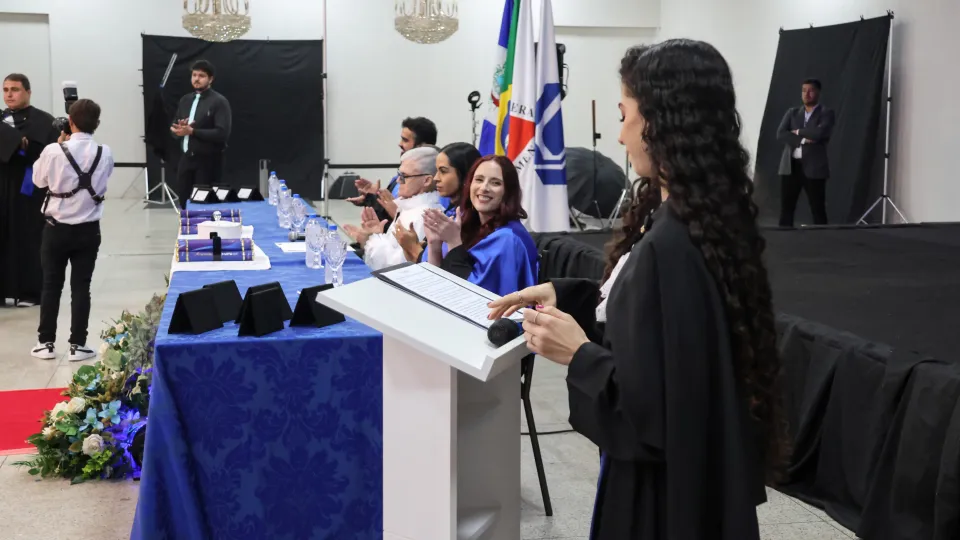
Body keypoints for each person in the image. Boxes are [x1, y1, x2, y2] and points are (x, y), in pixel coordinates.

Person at [487, 40, 790, 539]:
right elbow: (662, 327)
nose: (621, 134)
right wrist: (569, 296)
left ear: (661, 123)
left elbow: (657, 407)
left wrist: (579, 354)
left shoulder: (673, 243)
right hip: (694, 481)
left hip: (662, 498)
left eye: (625, 114)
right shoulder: (702, 219)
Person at [29, 99, 113, 361]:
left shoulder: (54, 150)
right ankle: (78, 344)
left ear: (71, 122)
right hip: (88, 230)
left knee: (51, 285)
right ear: (97, 124)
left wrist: (60, 141)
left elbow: (37, 180)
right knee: (81, 286)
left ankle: (46, 343)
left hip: (56, 229)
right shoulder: (105, 152)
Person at [423, 155, 537, 298]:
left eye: (495, 183)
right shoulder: (469, 226)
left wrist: (454, 243)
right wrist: (434, 245)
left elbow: (471, 297)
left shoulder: (509, 239)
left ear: (508, 191)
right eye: (479, 180)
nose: (484, 188)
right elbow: (438, 287)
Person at [0, 73, 59, 308]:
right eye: (5, 90)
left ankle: (30, 291)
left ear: (28, 92)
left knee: (28, 238)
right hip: (2, 187)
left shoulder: (44, 121)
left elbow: (53, 154)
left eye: (14, 89)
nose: (9, 94)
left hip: (29, 189)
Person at [344, 146, 443, 270]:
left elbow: (399, 267)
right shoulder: (410, 208)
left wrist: (371, 240)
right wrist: (378, 234)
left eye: (404, 176)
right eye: (398, 174)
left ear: (427, 180)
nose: (398, 181)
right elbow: (393, 248)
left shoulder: (425, 216)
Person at [395, 142, 481, 263]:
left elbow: (451, 269)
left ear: (466, 175)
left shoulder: (471, 220)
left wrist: (413, 249)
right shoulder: (451, 211)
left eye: (443, 171)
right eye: (436, 171)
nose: (436, 178)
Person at [348, 117, 441, 221]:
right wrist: (373, 198)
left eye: (405, 140)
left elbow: (412, 228)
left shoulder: (438, 187)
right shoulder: (397, 178)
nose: (400, 144)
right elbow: (388, 212)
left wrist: (396, 212)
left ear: (422, 146)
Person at [171, 60, 232, 210]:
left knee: (204, 206)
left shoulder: (219, 102)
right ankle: (186, 230)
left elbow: (222, 133)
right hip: (186, 159)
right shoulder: (185, 100)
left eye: (201, 76)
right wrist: (178, 131)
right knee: (183, 202)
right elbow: (175, 127)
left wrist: (192, 131)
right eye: (194, 75)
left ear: (211, 79)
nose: (196, 79)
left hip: (208, 162)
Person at [776, 78, 835, 226]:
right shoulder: (792, 113)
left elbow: (819, 133)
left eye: (810, 90)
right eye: (804, 91)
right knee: (787, 209)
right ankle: (784, 239)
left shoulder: (826, 113)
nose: (806, 94)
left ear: (818, 92)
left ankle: (823, 242)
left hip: (814, 167)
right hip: (791, 167)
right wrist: (802, 140)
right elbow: (781, 134)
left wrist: (797, 131)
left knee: (818, 209)